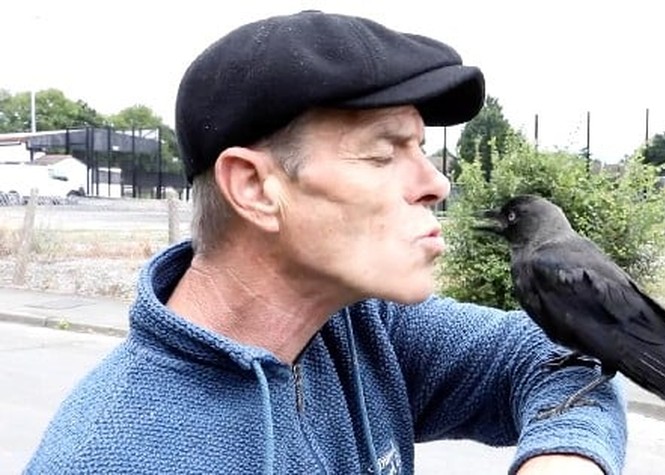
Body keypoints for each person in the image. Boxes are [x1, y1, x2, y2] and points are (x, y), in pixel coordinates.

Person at [26, 9, 627, 475]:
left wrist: (566, 455)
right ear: (257, 188)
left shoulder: (359, 329)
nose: (436, 184)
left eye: (421, 149)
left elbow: (560, 358)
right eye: (384, 152)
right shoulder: (120, 456)